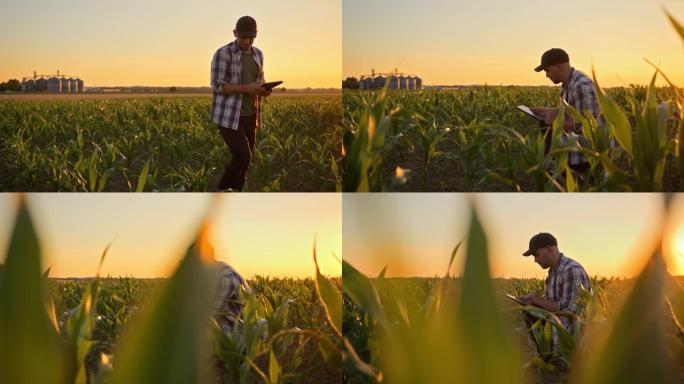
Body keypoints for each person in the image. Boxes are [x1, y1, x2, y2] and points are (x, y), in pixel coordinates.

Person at [210, 15, 272, 192]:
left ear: (256, 34)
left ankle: (236, 192)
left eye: (251, 37)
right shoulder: (223, 53)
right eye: (243, 36)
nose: (247, 41)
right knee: (242, 155)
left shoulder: (258, 54)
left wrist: (264, 90)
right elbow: (216, 85)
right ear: (235, 33)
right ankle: (221, 190)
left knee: (247, 160)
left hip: (251, 114)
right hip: (229, 116)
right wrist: (247, 88)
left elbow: (259, 81)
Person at [530, 48, 602, 173]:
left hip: (584, 157)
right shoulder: (569, 84)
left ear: (559, 66)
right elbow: (573, 110)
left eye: (547, 70)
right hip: (572, 152)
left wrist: (557, 122)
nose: (546, 75)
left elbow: (588, 126)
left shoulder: (580, 87)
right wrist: (547, 111)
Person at [517, 232, 591, 335]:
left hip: (571, 344)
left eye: (536, 254)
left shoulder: (571, 270)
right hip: (557, 340)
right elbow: (554, 302)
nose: (535, 260)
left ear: (549, 249)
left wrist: (539, 300)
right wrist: (532, 301)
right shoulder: (552, 273)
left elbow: (570, 309)